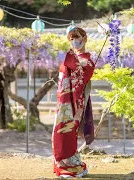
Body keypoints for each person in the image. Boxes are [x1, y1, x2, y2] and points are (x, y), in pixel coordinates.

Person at [52, 27, 95, 178]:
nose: (74, 42)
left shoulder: (87, 61)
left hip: (74, 103)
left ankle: (73, 166)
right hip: (63, 101)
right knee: (59, 133)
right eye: (71, 39)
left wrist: (72, 61)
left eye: (77, 38)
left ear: (85, 38)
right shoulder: (71, 58)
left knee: (68, 133)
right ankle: (64, 164)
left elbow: (81, 81)